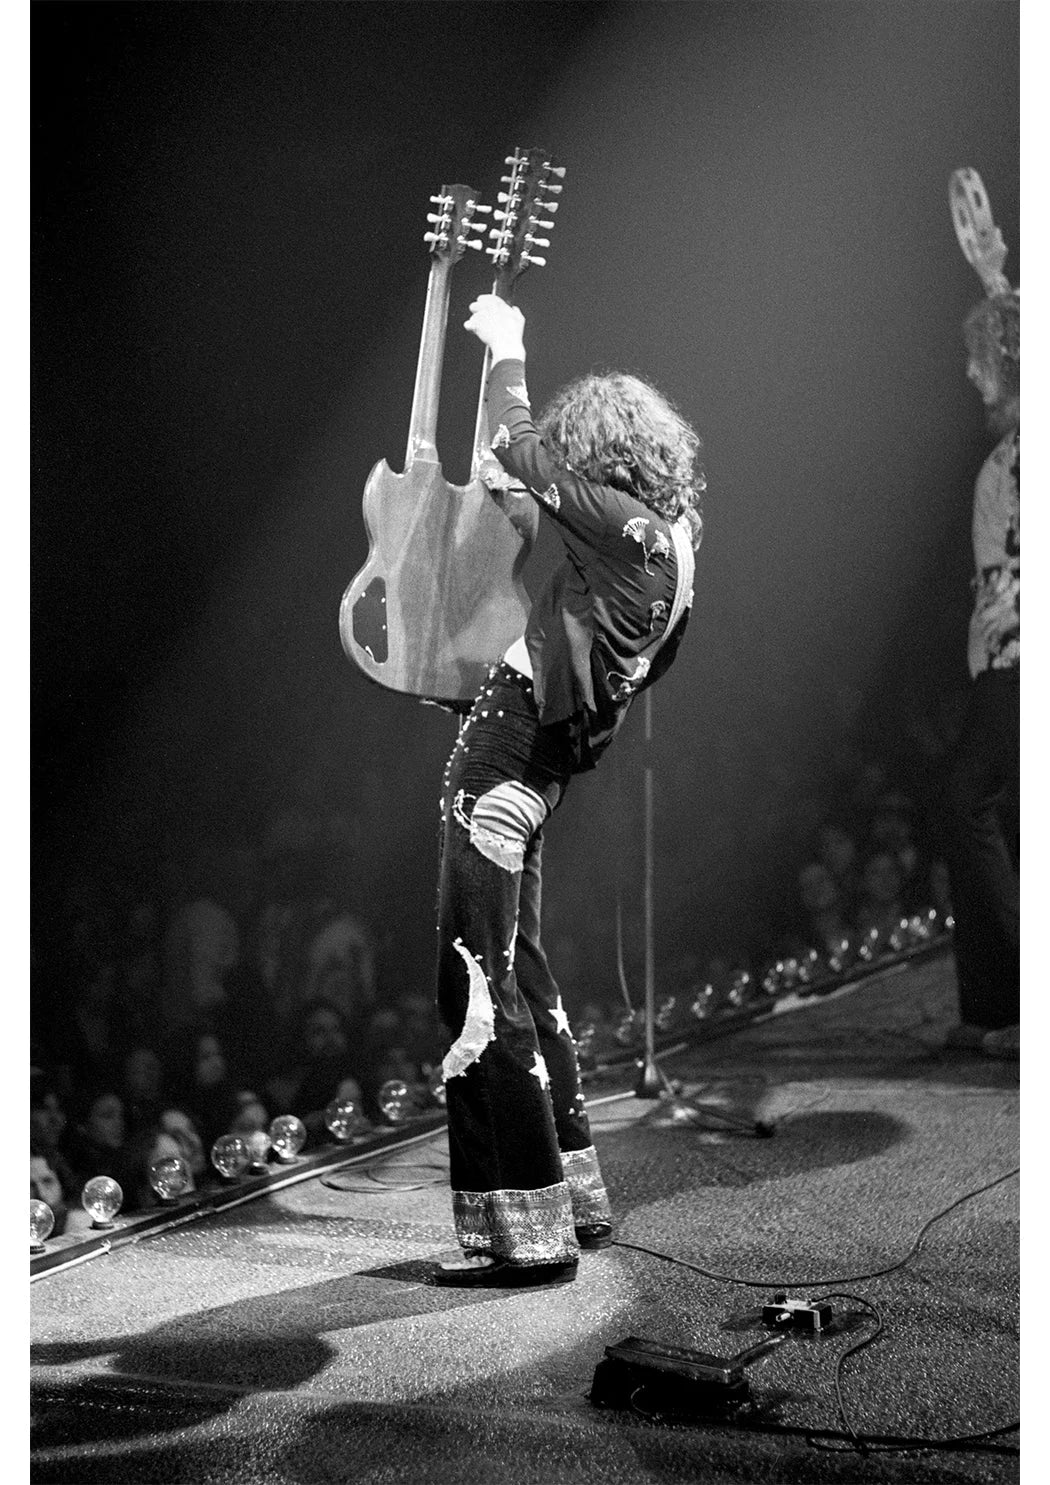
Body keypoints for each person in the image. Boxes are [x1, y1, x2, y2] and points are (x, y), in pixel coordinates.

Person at [429, 294, 703, 1287]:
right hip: (542, 764)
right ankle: (573, 1195)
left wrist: (509, 347)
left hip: (506, 759)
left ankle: (526, 1229)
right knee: (525, 974)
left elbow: (515, 447)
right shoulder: (674, 549)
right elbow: (621, 670)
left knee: (477, 981)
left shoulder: (614, 521)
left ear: (601, 458)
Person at [942, 285, 1019, 1055]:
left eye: (978, 354)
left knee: (967, 799)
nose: (970, 371)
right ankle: (997, 1008)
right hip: (1006, 652)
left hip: (1016, 653)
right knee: (979, 803)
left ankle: (1011, 1004)